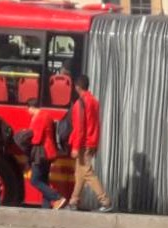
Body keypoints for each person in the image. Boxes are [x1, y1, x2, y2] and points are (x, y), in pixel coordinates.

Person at [66, 75, 112, 212]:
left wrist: (75, 146)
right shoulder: (94, 101)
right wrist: (95, 143)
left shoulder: (80, 103)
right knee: (79, 173)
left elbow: (79, 127)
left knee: (86, 171)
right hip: (91, 141)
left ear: (77, 87)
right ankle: (74, 201)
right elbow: (96, 124)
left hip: (83, 143)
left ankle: (105, 201)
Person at [27, 99, 64, 209]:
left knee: (34, 180)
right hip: (48, 152)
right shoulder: (46, 115)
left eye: (28, 109)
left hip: (41, 153)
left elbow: (36, 139)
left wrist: (26, 135)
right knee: (43, 179)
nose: (28, 112)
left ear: (31, 108)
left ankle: (57, 197)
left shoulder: (39, 118)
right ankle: (46, 207)